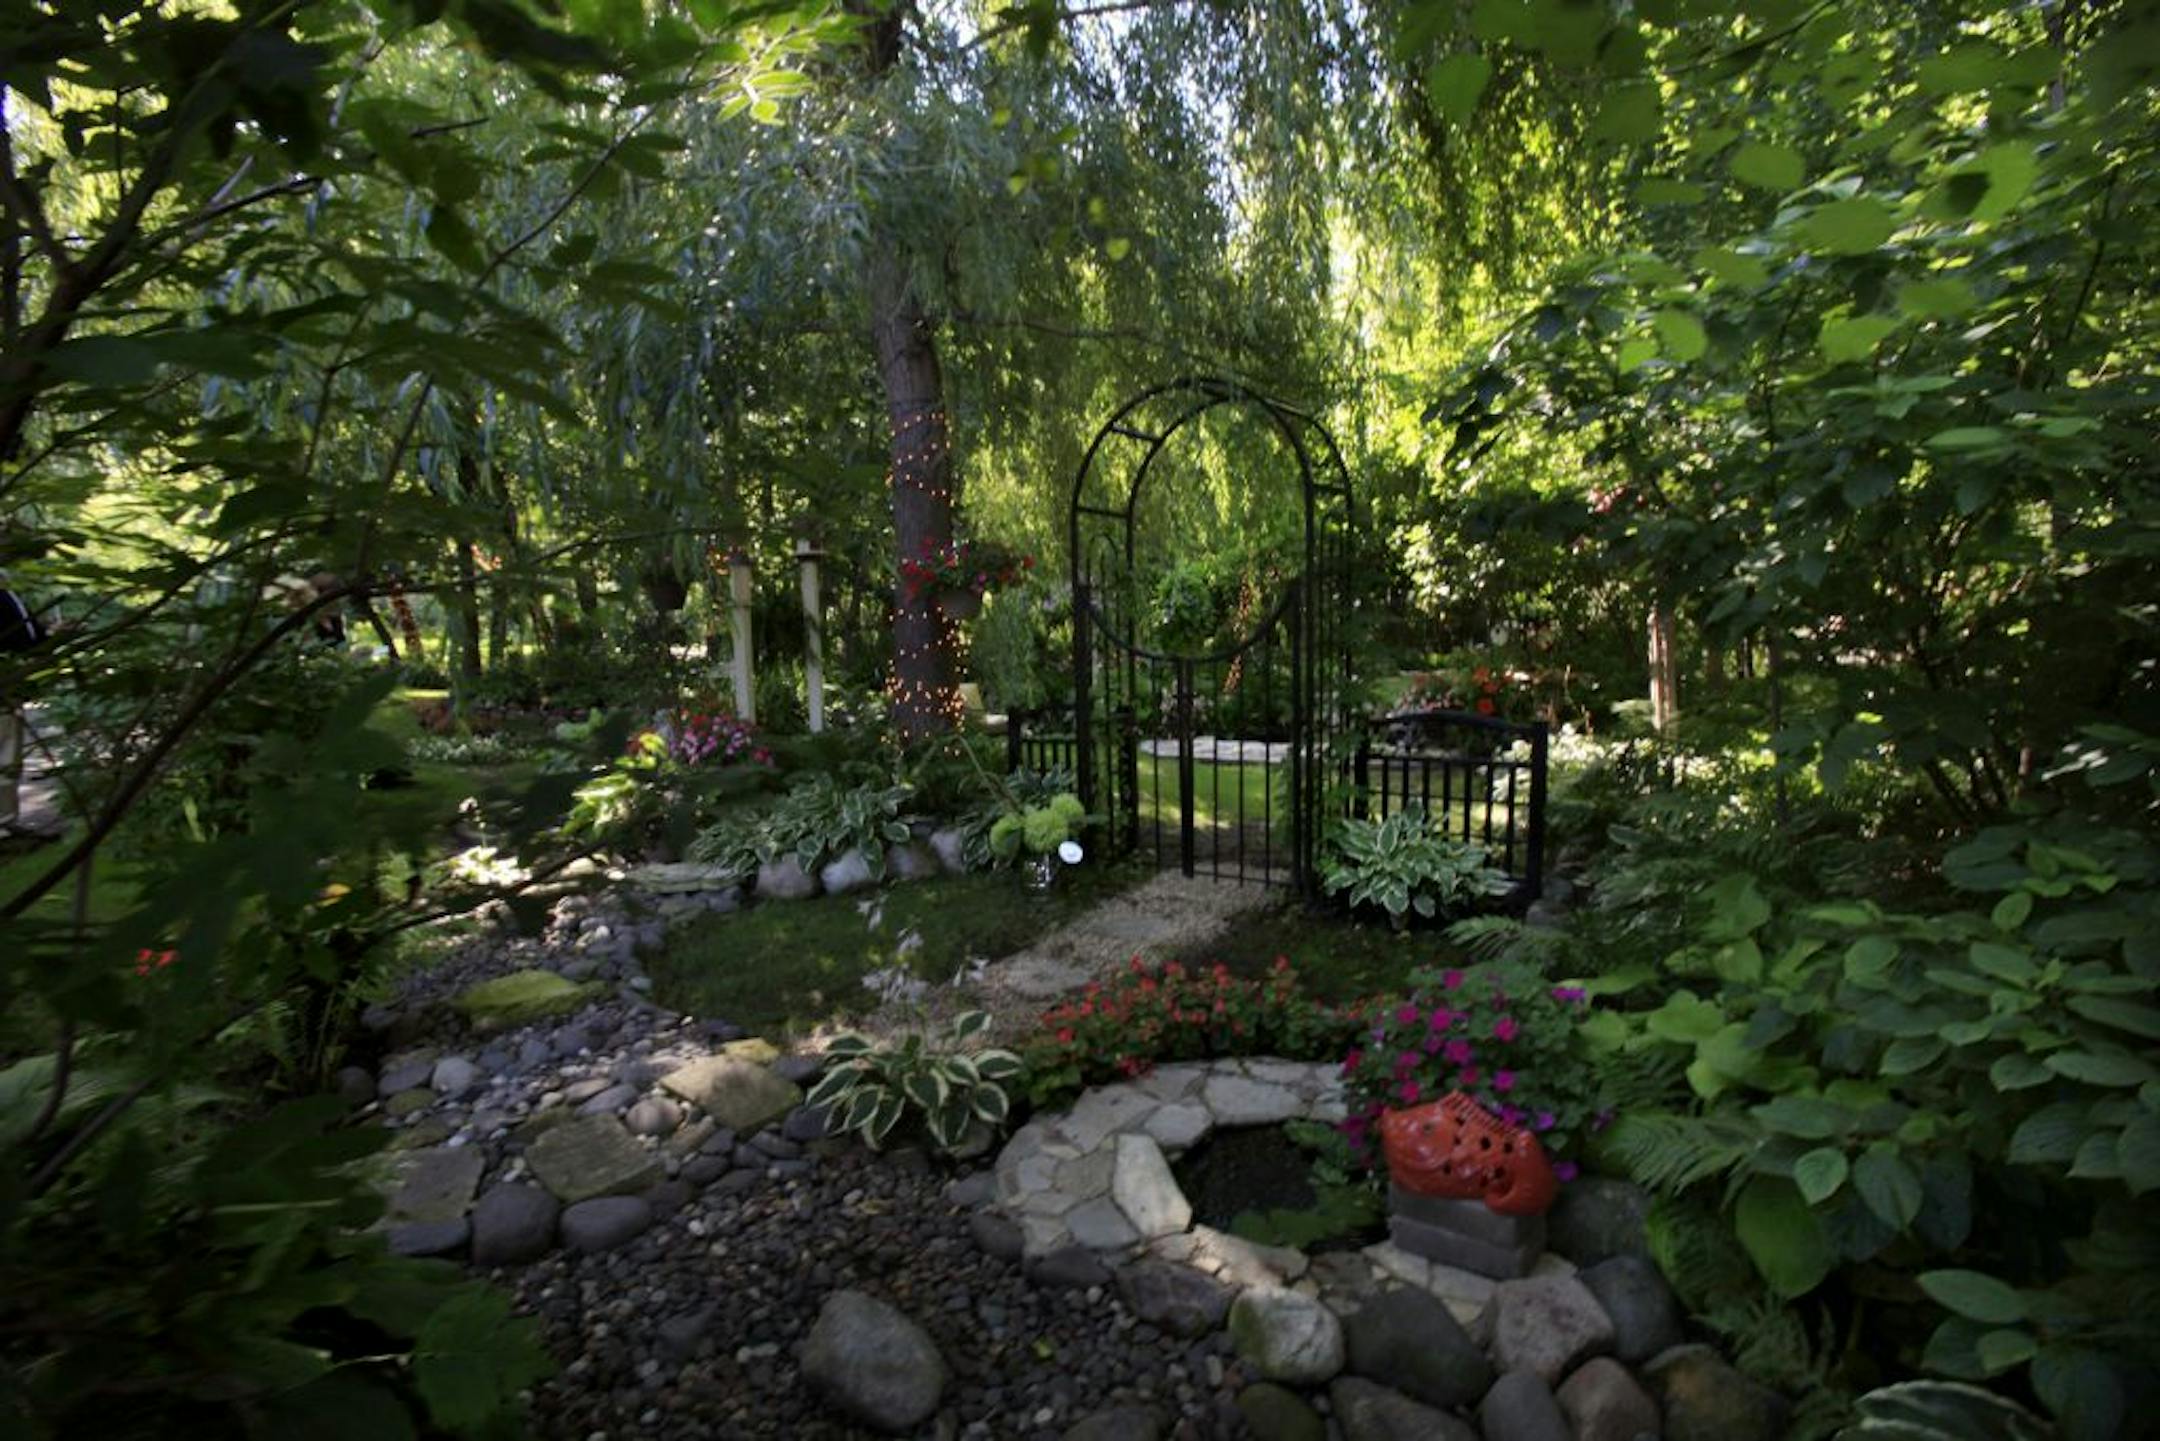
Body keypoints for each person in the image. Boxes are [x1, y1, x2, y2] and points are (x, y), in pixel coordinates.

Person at [1, 574, 50, 837]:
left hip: (14, 685)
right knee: (5, 753)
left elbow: (27, 635)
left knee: (9, 754)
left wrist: (50, 636)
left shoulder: (10, 596)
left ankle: (6, 821)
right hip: (4, 685)